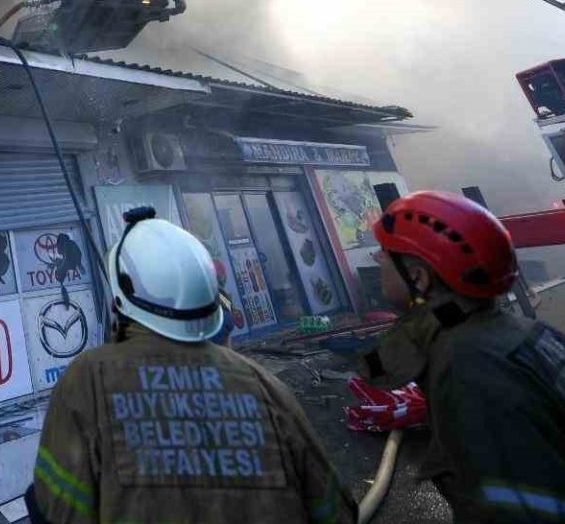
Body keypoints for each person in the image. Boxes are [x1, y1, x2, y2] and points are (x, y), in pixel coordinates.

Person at [361, 190, 565, 523]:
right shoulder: (511, 331)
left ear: (417, 277)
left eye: (385, 253)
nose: (378, 258)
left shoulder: (471, 368)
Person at [26, 209, 355, 524]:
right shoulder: (265, 385)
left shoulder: (87, 379)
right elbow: (334, 510)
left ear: (119, 303)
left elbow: (56, 509)